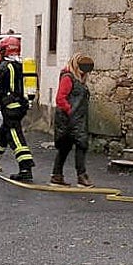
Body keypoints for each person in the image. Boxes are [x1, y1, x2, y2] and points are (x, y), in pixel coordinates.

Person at [0, 41, 35, 182]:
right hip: (21, 105)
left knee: (15, 136)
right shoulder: (21, 65)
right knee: (3, 135)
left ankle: (25, 168)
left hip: (10, 107)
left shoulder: (4, 66)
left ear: (5, 51)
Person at [51, 52, 95, 187]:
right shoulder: (68, 78)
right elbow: (60, 98)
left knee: (77, 145)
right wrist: (70, 110)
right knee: (70, 146)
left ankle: (58, 175)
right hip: (69, 119)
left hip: (77, 118)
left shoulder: (79, 79)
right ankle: (80, 176)